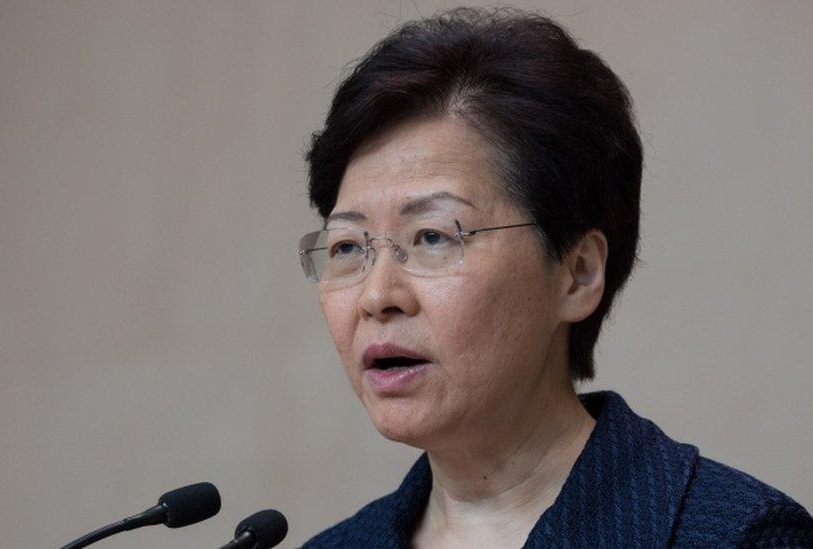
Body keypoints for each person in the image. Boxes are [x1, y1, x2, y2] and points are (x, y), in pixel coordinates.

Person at [296, 7, 813, 548]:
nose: (377, 296)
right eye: (348, 246)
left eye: (432, 236)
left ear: (578, 273)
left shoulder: (735, 536)